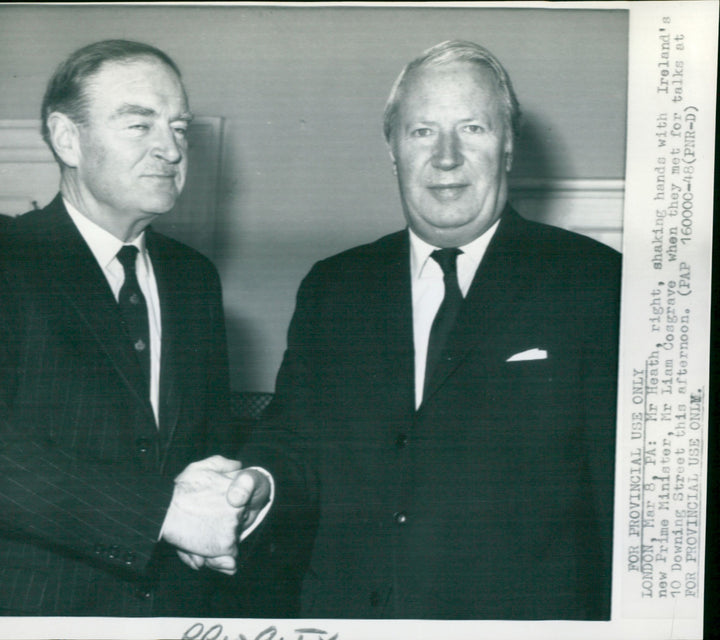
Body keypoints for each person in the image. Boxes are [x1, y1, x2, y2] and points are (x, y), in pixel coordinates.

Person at [260, 40, 620, 619]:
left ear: (507, 147)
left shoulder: (595, 283)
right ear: (392, 150)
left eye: (472, 128)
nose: (446, 156)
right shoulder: (334, 288)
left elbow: (620, 502)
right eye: (422, 131)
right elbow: (293, 442)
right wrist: (256, 481)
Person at [0, 40, 272, 617]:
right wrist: (162, 514)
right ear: (67, 139)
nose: (171, 148)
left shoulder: (195, 280)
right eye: (140, 125)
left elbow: (206, 447)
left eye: (180, 128)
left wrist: (232, 500)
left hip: (175, 609)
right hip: (24, 609)